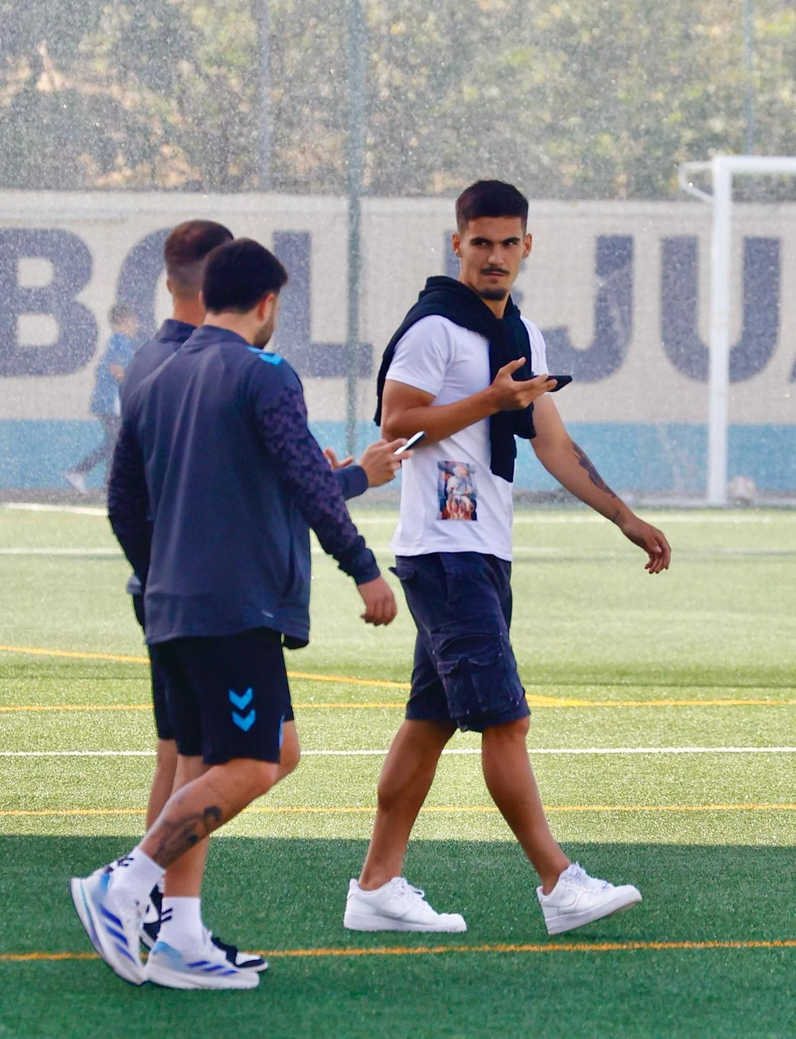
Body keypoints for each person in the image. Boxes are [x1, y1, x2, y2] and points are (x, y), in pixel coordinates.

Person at [345, 180, 672, 937]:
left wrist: (624, 517)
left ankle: (377, 886)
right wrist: (489, 403)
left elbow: (551, 440)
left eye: (508, 243)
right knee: (507, 721)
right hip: (445, 551)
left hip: (483, 549)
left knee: (428, 723)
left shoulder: (518, 332)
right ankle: (559, 883)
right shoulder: (434, 327)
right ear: (457, 243)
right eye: (481, 243)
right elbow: (396, 422)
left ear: (528, 246)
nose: (495, 257)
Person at [78, 238, 402, 990]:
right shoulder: (266, 373)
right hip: (233, 607)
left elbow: (123, 501)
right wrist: (363, 569)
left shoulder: (155, 375)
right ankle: (124, 883)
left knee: (227, 760)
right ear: (267, 303)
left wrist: (161, 573)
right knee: (252, 764)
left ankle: (180, 937)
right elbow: (307, 482)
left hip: (171, 604)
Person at [66, 302, 142, 493]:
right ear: (124, 321)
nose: (136, 325)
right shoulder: (120, 342)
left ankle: (101, 480)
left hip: (108, 402)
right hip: (111, 403)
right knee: (114, 443)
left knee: (114, 442)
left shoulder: (117, 342)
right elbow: (116, 370)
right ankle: (89, 475)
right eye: (133, 321)